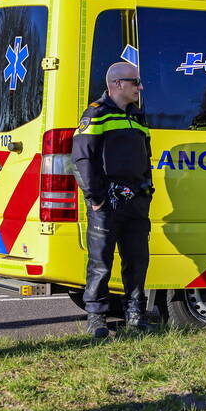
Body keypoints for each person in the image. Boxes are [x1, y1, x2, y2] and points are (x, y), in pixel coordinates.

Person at [72, 62, 154, 339]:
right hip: (106, 203)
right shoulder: (96, 114)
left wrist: (147, 190)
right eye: (135, 83)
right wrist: (95, 199)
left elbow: (147, 157)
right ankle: (97, 319)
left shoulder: (138, 117)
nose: (140, 88)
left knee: (137, 260)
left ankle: (136, 315)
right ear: (117, 84)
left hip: (136, 202)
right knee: (100, 263)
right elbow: (82, 159)